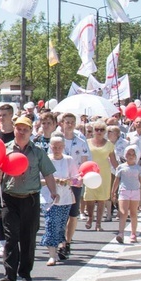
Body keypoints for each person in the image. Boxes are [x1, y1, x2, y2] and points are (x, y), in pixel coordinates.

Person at [0, 116, 58, 281]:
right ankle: (9, 276)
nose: (21, 132)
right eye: (19, 129)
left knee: (28, 237)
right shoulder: (5, 149)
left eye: (25, 129)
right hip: (9, 198)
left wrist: (53, 191)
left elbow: (48, 173)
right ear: (14, 129)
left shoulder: (37, 152)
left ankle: (25, 270)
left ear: (31, 131)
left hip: (30, 198)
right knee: (10, 237)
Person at [42, 135, 79, 265]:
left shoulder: (69, 160)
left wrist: (69, 180)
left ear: (63, 147)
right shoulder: (45, 160)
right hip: (49, 198)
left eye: (59, 147)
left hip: (66, 198)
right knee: (51, 223)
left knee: (60, 226)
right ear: (50, 147)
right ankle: (51, 255)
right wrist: (53, 180)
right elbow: (38, 180)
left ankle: (59, 249)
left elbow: (77, 179)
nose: (57, 149)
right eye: (54, 147)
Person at [59, 112, 89, 260]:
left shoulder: (81, 142)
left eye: (72, 122)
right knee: (60, 213)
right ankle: (60, 241)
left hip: (75, 182)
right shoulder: (57, 140)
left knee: (72, 213)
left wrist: (81, 177)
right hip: (60, 181)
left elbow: (84, 161)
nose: (69, 124)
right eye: (67, 122)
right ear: (62, 123)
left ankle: (68, 241)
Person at [112, 145, 141, 243]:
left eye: (132, 154)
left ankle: (133, 234)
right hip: (123, 191)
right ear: (125, 155)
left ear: (136, 156)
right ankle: (121, 233)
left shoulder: (138, 168)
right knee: (123, 213)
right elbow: (117, 180)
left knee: (134, 213)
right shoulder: (120, 167)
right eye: (128, 154)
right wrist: (113, 192)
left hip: (135, 192)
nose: (130, 156)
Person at [0, 102, 15, 259]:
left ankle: (13, 241)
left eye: (4, 115)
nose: (1, 117)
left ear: (11, 115)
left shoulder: (16, 135)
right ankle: (2, 243)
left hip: (14, 177)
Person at [84, 120, 117, 231]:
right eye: (96, 129)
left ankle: (98, 224)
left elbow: (114, 161)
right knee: (89, 197)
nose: (99, 132)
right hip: (90, 173)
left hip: (104, 173)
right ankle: (90, 217)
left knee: (102, 198)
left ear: (105, 132)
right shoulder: (86, 142)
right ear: (93, 131)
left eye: (101, 130)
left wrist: (122, 171)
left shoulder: (109, 145)